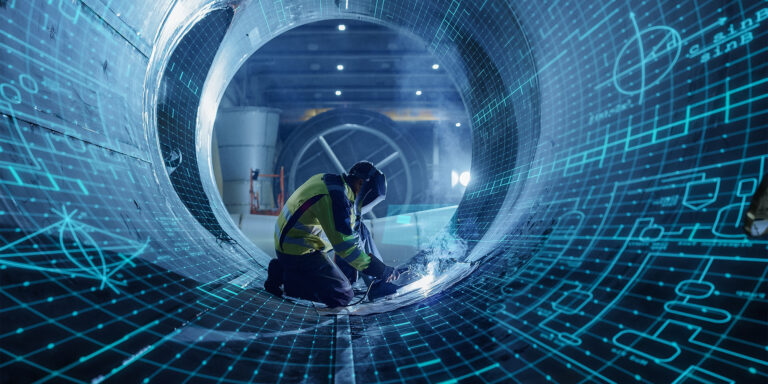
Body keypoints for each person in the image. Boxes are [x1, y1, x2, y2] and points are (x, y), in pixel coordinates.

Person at [264, 161, 399, 307]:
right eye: (370, 196)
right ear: (361, 183)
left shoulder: (334, 183)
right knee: (343, 295)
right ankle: (286, 278)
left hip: (296, 241)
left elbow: (353, 230)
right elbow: (346, 246)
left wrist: (379, 273)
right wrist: (380, 269)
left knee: (359, 229)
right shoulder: (336, 199)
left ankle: (377, 286)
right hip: (298, 251)